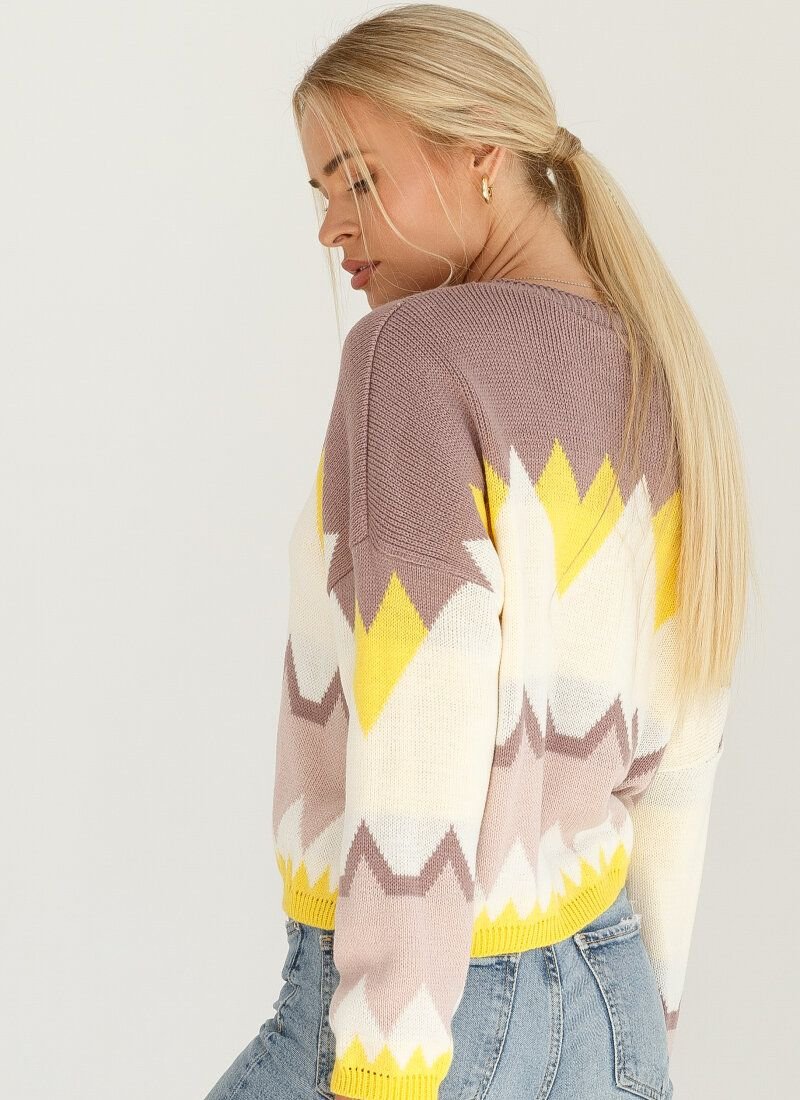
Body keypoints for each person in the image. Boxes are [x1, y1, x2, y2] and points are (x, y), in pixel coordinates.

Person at [203, 5, 751, 1099]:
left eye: (359, 180)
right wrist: (644, 1033)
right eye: (319, 193)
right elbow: (683, 749)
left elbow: (424, 708)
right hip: (612, 1000)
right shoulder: (661, 371)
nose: (330, 228)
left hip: (423, 1019)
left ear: (481, 156)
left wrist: (383, 1068)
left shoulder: (409, 356)